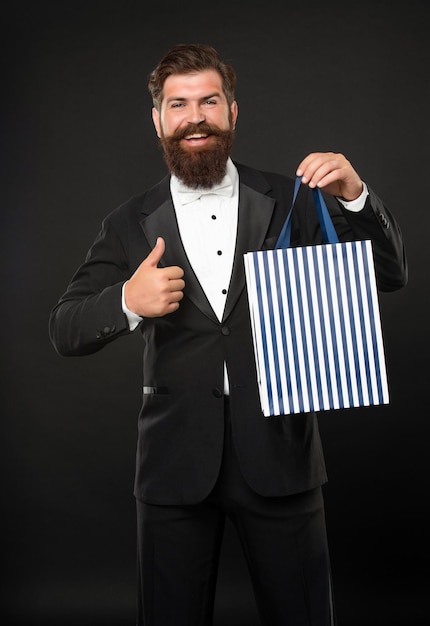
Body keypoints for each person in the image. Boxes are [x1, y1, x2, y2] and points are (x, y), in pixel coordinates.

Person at [49, 43, 407, 626]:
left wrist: (355, 196)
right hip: (173, 466)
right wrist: (126, 302)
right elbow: (65, 329)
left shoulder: (295, 198)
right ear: (159, 120)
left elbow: (390, 276)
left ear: (232, 113)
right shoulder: (127, 222)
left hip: (282, 456)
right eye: (179, 104)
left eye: (209, 101)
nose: (196, 116)